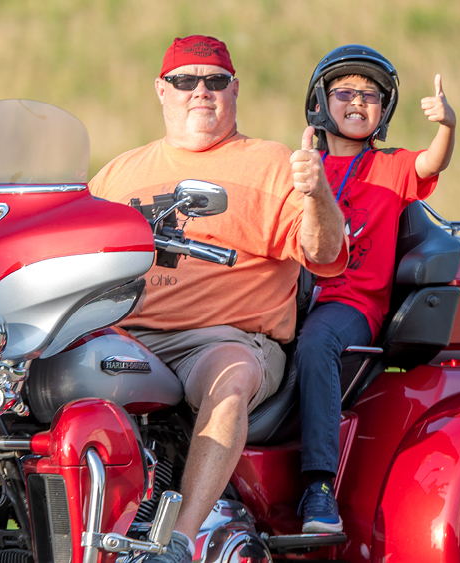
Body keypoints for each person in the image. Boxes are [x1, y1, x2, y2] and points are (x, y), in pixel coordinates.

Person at [88, 35, 349, 563]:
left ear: (235, 90)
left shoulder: (273, 163)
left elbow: (324, 254)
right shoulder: (117, 174)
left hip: (225, 340)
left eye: (214, 81)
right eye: (185, 81)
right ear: (162, 90)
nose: (200, 92)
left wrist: (317, 189)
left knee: (229, 378)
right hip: (124, 336)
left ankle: (179, 542)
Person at [293, 44, 457, 533]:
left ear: (384, 112)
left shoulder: (391, 167)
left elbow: (432, 162)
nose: (357, 102)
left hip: (352, 303)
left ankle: (319, 488)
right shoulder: (301, 163)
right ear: (320, 101)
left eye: (371, 95)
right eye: (345, 92)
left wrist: (447, 125)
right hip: (293, 298)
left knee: (318, 340)